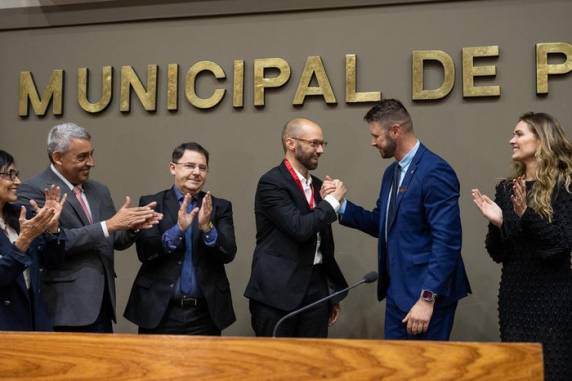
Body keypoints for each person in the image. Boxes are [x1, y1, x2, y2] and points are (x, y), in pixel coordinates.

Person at [332, 99, 470, 340]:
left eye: (376, 135)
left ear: (396, 130)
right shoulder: (391, 173)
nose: (372, 142)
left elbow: (446, 241)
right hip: (397, 294)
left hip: (426, 298)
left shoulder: (435, 171)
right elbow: (382, 224)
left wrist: (427, 298)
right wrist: (340, 205)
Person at [17, 123, 161, 333]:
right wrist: (109, 225)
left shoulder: (99, 190)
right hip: (65, 309)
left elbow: (113, 239)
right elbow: (51, 243)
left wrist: (131, 227)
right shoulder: (34, 190)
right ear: (58, 157)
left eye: (91, 155)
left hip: (102, 305)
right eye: (82, 157)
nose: (91, 163)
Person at [472, 112, 572, 381]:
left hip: (554, 299)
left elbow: (560, 246)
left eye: (519, 134)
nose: (511, 140)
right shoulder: (507, 189)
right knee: (517, 373)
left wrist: (527, 214)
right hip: (515, 298)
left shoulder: (564, 186)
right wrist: (498, 224)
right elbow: (499, 253)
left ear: (541, 140)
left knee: (554, 371)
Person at [244, 117, 348, 338]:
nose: (320, 150)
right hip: (277, 293)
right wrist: (331, 202)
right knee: (276, 366)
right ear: (291, 143)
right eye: (314, 143)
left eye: (322, 144)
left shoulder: (319, 185)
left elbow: (324, 243)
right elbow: (299, 228)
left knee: (313, 365)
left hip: (316, 290)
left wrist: (329, 294)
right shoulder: (271, 183)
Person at [124, 142, 237, 335]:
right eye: (190, 165)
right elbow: (146, 252)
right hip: (159, 311)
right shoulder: (153, 203)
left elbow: (228, 253)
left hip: (205, 314)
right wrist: (178, 229)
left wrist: (206, 226)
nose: (196, 172)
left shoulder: (219, 207)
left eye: (202, 168)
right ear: (172, 168)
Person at [0, 150, 67, 331]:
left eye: (17, 175)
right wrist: (23, 242)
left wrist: (53, 229)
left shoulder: (22, 215)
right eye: (10, 175)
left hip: (35, 319)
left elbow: (53, 262)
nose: (18, 182)